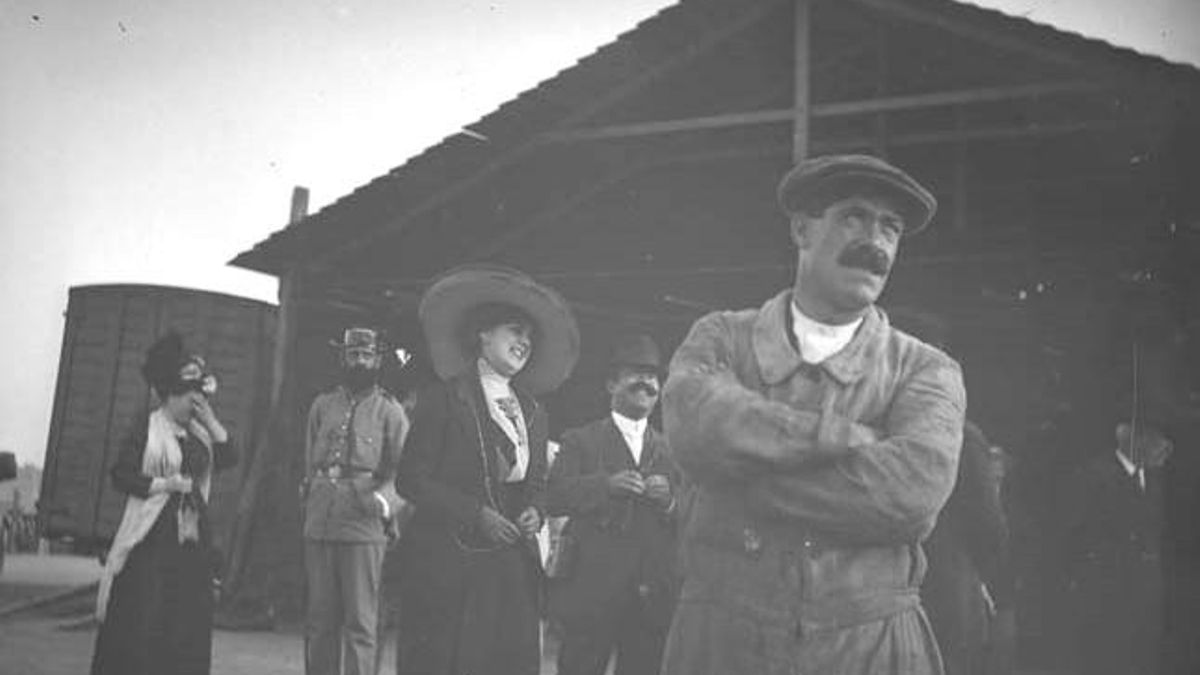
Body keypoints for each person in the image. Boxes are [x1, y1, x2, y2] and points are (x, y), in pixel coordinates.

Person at [658, 154, 966, 674]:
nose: (875, 242)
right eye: (853, 216)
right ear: (801, 229)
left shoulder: (926, 369)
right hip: (723, 645)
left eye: (890, 228)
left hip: (871, 649)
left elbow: (912, 494)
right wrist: (840, 437)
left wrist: (732, 480)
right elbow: (693, 430)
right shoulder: (721, 337)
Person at [396, 264, 580, 675]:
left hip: (510, 566)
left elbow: (536, 484)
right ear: (483, 334)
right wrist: (475, 514)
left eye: (530, 337)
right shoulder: (443, 399)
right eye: (515, 330)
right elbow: (411, 479)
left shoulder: (534, 412)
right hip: (449, 561)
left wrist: (537, 508)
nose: (524, 342)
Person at [91, 332, 237, 675]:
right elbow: (121, 474)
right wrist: (163, 484)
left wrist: (212, 421)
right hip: (152, 540)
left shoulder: (201, 433)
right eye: (189, 397)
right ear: (170, 396)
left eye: (199, 397)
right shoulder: (149, 425)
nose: (195, 404)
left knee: (187, 622)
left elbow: (229, 457)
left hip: (190, 543)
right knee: (148, 618)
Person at [546, 333, 683, 675]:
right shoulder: (579, 440)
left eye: (653, 377)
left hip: (652, 596)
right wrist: (604, 485)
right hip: (591, 593)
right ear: (611, 384)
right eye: (636, 373)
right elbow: (554, 496)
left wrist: (670, 502)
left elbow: (696, 512)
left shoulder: (674, 450)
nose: (646, 383)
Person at [888, 308, 1012, 675]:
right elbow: (989, 528)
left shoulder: (867, 427)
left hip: (884, 598)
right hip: (945, 593)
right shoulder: (960, 434)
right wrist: (1002, 596)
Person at [302, 327, 410, 675]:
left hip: (364, 524)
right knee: (319, 620)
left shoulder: (389, 412)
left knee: (361, 622)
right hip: (320, 520)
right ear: (343, 357)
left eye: (366, 355)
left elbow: (404, 473)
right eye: (353, 355)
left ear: (378, 359)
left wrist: (382, 504)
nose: (359, 361)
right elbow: (309, 461)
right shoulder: (322, 405)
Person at [1058, 405, 1173, 675]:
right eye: (1159, 440)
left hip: (1144, 602)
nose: (1166, 449)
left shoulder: (1155, 480)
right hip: (1106, 600)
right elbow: (1074, 538)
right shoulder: (1093, 477)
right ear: (1136, 438)